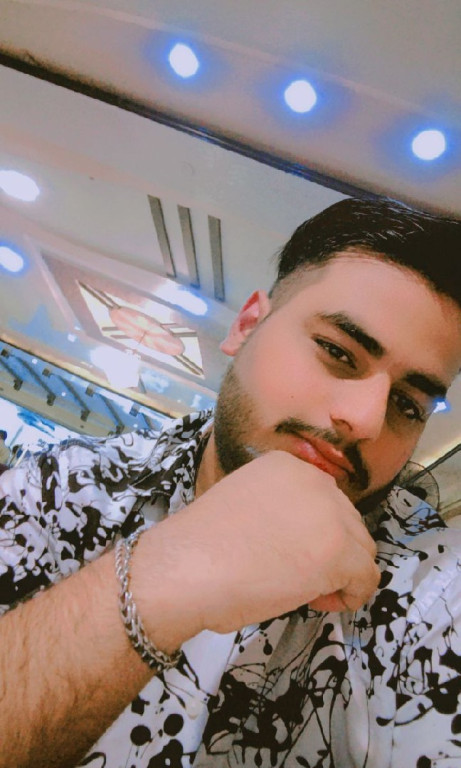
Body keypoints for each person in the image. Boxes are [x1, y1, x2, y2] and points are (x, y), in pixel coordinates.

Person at [0, 198, 460, 768]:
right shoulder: (68, 485)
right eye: (338, 352)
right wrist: (165, 573)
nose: (366, 420)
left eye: (409, 405)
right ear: (246, 326)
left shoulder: (429, 586)